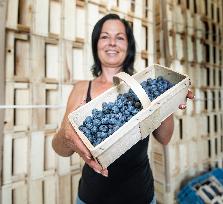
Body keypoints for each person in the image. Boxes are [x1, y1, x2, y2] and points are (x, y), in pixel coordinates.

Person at [52, 13, 194, 204]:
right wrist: (65, 135)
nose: (112, 43)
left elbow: (165, 138)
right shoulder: (80, 88)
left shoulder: (144, 88)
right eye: (105, 37)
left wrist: (167, 100)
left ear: (129, 46)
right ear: (96, 44)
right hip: (91, 197)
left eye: (119, 37)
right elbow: (61, 150)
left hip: (140, 196)